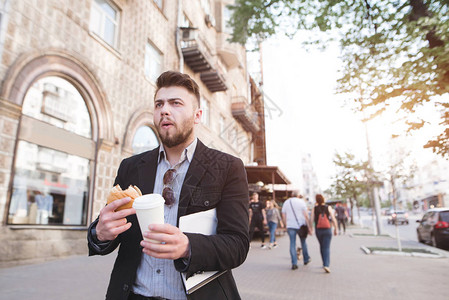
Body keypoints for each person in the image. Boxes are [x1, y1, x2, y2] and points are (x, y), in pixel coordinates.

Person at [87, 71, 250, 300]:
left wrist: (188, 246)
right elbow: (108, 227)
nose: (164, 109)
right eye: (159, 104)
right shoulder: (131, 167)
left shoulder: (228, 167)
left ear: (197, 115)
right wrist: (99, 233)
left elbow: (238, 245)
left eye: (176, 103)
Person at [281, 191, 312, 270]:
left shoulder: (286, 202)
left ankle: (294, 263)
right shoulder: (301, 202)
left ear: (291, 195)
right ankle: (306, 259)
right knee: (303, 242)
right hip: (301, 225)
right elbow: (306, 215)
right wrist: (309, 226)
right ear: (298, 195)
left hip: (290, 225)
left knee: (292, 243)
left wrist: (285, 225)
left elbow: (283, 215)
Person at [311, 194, 338, 273]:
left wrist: (310, 228)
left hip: (318, 229)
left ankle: (324, 263)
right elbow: (333, 219)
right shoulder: (328, 207)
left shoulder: (314, 208)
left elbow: (311, 219)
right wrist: (336, 228)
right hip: (327, 229)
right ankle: (326, 265)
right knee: (326, 247)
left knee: (322, 246)